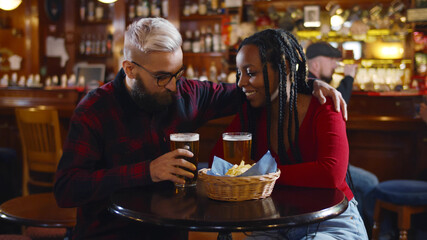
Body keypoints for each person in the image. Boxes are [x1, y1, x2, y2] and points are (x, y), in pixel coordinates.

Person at [54, 18, 346, 239]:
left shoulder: (188, 93)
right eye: (162, 77)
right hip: (110, 233)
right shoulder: (95, 109)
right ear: (130, 69)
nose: (173, 86)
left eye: (178, 73)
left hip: (171, 232)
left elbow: (258, 86)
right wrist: (148, 171)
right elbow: (66, 190)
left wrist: (307, 83)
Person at [211, 29, 368, 239]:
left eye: (251, 72)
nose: (240, 83)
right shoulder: (251, 114)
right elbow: (219, 163)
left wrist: (261, 174)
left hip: (330, 220)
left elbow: (331, 174)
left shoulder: (324, 104)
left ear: (283, 67)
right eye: (240, 73)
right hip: (272, 222)